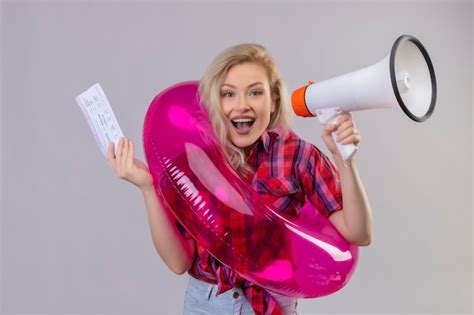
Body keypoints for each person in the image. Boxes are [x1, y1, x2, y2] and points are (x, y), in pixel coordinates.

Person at [107, 43, 373, 315]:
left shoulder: (298, 156)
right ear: (214, 102)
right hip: (206, 304)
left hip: (272, 302)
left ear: (273, 102)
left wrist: (344, 158)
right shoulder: (195, 160)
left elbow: (359, 233)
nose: (241, 105)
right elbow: (178, 263)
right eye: (228, 94)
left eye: (255, 92)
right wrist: (148, 188)